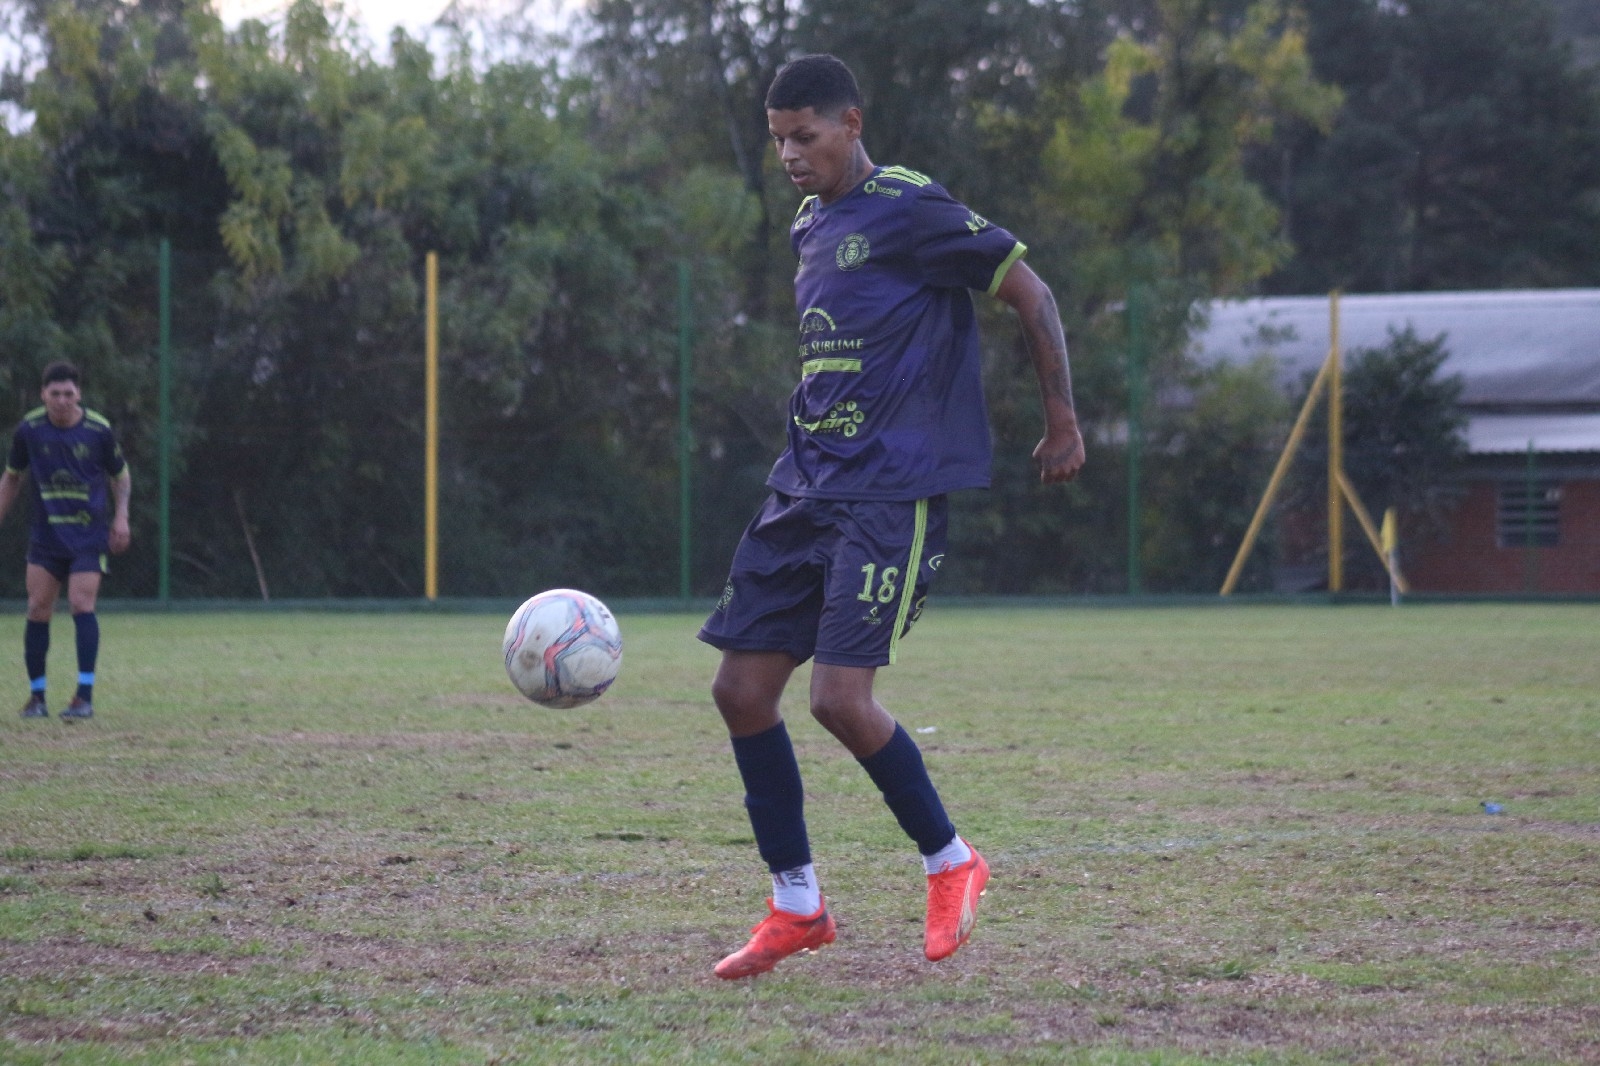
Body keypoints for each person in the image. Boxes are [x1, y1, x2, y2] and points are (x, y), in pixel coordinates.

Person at [698, 54, 1085, 979]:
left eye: (805, 136)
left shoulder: (910, 207)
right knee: (740, 691)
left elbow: (1031, 293)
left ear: (852, 123)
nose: (790, 155)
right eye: (778, 140)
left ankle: (951, 862)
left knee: (839, 699)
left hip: (887, 497)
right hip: (802, 489)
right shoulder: (809, 225)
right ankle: (798, 906)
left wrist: (1063, 420)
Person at [0, 361, 132, 720]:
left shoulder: (98, 430)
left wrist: (121, 516)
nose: (61, 400)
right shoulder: (29, 429)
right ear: (43, 394)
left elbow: (120, 476)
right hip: (46, 537)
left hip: (88, 536)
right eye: (55, 393)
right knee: (37, 608)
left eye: (68, 394)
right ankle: (37, 698)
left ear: (79, 395)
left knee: (80, 603)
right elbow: (12, 477)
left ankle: (83, 697)